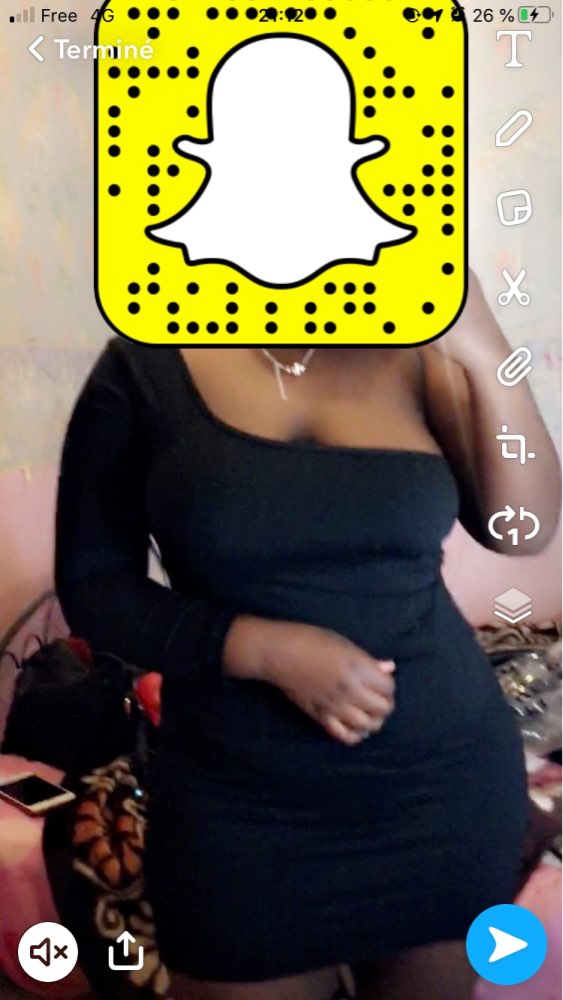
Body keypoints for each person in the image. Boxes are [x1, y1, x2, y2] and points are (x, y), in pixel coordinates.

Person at [55, 273, 560, 1000]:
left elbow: (524, 529)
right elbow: (95, 586)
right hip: (239, 803)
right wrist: (262, 649)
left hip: (444, 789)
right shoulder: (144, 364)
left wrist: (482, 347)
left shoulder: (419, 351)